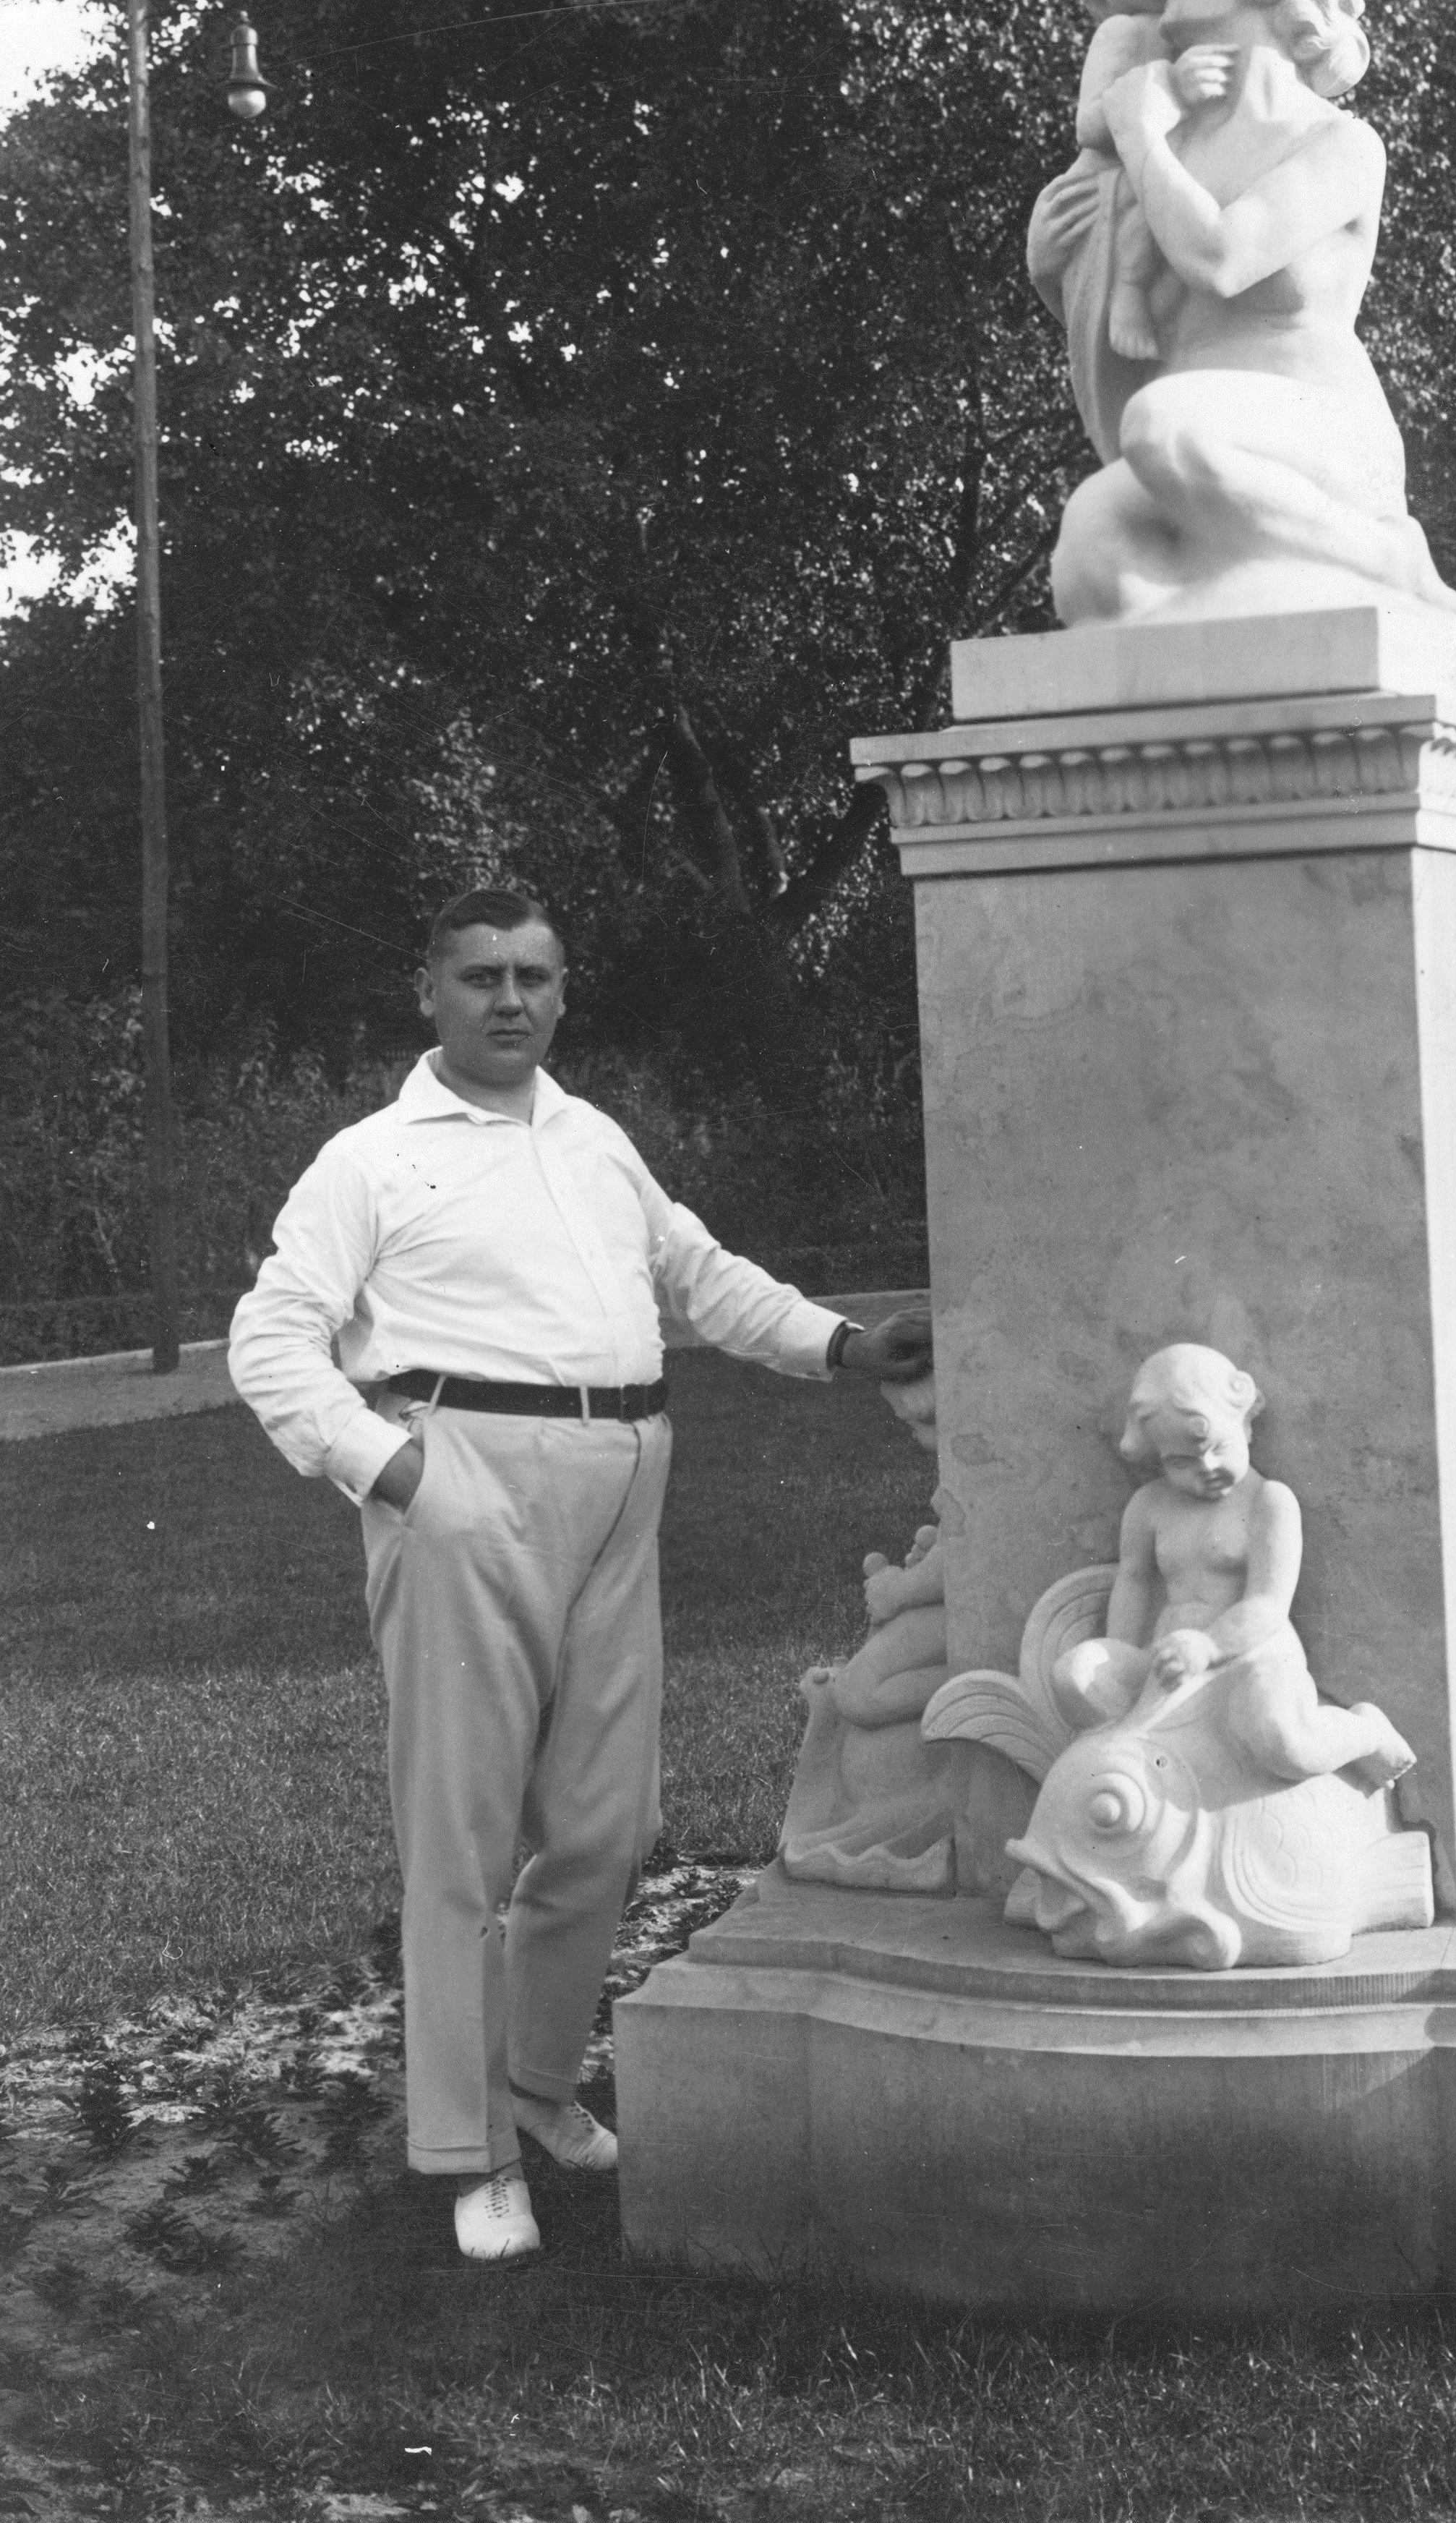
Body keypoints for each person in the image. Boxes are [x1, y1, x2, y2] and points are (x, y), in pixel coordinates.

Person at [227, 887, 931, 2261]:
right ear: (429, 990)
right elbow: (270, 1339)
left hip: (623, 1482)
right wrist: (395, 1472)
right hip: (464, 1482)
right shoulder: (369, 1159)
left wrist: (844, 1345)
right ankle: (470, 2150)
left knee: (607, 1823)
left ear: (561, 991)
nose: (511, 998)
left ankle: (535, 2087)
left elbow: (700, 1276)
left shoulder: (594, 1137)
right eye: (482, 974)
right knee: (463, 1833)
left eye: (535, 976)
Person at [1031, 0, 1456, 628]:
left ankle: (1386, 558)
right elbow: (1119, 308)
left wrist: (1139, 137)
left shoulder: (1338, 143)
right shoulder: (1174, 142)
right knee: (1089, 556)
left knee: (1164, 425)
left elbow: (1220, 259)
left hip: (1320, 435)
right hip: (1192, 436)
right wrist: (1053, 255)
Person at [1054, 1343, 1410, 1786]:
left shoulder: (1269, 1502)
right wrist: (1123, 1655)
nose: (1206, 1467)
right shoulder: (1149, 1507)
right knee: (1076, 1674)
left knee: (1285, 1741)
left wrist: (1208, 1647)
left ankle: (1367, 1731)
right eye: (1181, 1461)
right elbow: (1135, 1582)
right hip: (1170, 1654)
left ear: (1246, 1425)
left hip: (1251, 1652)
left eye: (1218, 1448)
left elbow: (1268, 1603)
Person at [1061, 0, 1204, 363]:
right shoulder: (1122, 32)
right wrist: (1168, 86)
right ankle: (1129, 288)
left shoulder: (1199, 33)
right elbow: (1088, 127)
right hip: (1116, 179)